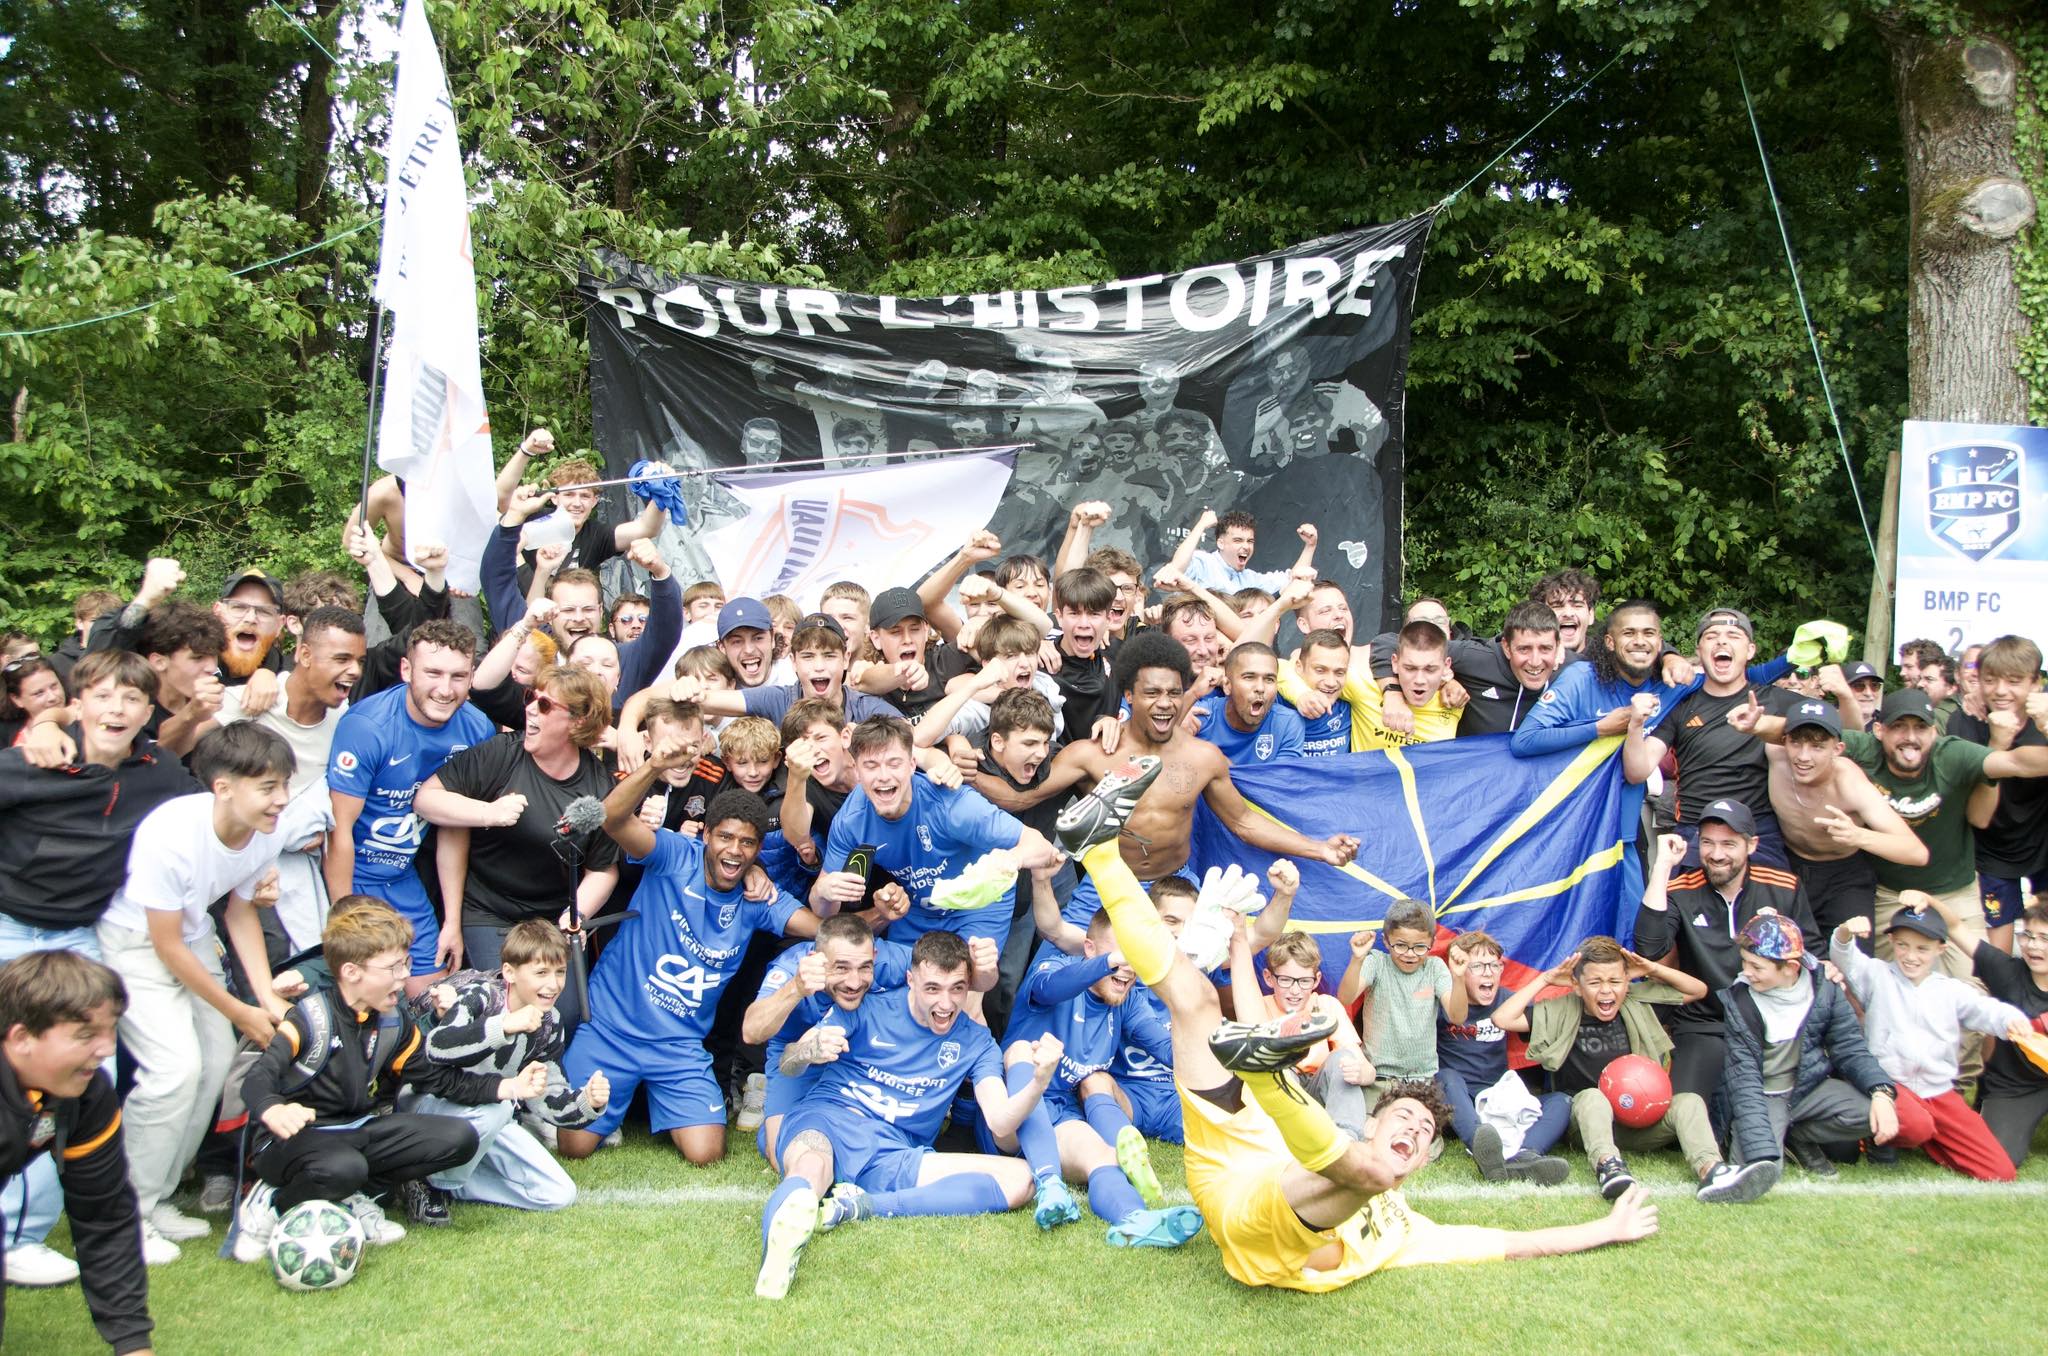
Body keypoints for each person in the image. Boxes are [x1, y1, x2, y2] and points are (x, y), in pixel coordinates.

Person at [1050, 758, 1661, 1293]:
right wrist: (1240, 950)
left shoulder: (1407, 1227)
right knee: (1195, 1004)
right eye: (1405, 1119)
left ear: (1425, 1163)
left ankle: (1268, 1077)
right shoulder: (1371, 1160)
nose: (1416, 1130)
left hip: (1254, 1222)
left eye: (1422, 1132)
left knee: (1368, 1177)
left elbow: (1507, 1241)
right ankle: (1100, 848)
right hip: (1236, 1147)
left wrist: (1607, 1230)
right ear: (1372, 1123)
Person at [0, 652, 198, 1284]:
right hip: (8, 925)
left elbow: (203, 821)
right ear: (78, 703)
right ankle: (16, 1235)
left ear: (148, 712)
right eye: (103, 696)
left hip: (79, 937)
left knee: (85, 1077)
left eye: (131, 699)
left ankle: (51, 1230)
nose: (116, 709)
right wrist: (41, 725)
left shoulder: (157, 771)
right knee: (18, 1079)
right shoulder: (32, 760)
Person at [969, 634, 1358, 925]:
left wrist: (1318, 848)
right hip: (1107, 886)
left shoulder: (1203, 757)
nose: (1165, 702)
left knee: (1191, 984)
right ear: (1129, 696)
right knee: (1061, 974)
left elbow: (1243, 822)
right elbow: (1018, 798)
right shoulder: (1092, 754)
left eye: (1174, 692)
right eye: (1151, 692)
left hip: (1174, 888)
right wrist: (958, 774)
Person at [559, 763, 821, 1166]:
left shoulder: (758, 897)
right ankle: (610, 1107)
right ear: (705, 835)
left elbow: (818, 928)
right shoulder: (673, 855)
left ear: (757, 851)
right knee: (574, 1148)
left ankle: (625, 1105)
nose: (734, 850)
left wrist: (879, 917)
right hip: (611, 1031)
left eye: (747, 843)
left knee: (706, 1154)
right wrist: (656, 765)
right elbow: (611, 818)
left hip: (677, 1047)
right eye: (725, 837)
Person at [97, 722, 292, 1260]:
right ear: (223, 786)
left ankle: (155, 1199)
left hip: (194, 938)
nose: (280, 800)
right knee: (173, 1071)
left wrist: (264, 998)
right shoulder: (170, 833)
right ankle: (123, 1216)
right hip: (136, 944)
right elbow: (165, 945)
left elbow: (241, 911)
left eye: (284, 786)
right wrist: (239, 1009)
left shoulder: (269, 828)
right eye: (268, 787)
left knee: (213, 1065)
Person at [230, 899, 509, 1262]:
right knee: (345, 1167)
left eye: (405, 964)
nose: (404, 976)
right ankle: (271, 1203)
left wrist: (505, 1088)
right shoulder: (310, 1018)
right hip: (288, 1145)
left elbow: (437, 1079)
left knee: (458, 1138)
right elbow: (256, 1080)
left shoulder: (393, 1021)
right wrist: (274, 1110)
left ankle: (357, 1196)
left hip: (355, 1132)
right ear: (351, 971)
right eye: (393, 967)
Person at [1490, 936, 1772, 1203]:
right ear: (1577, 986)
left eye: (1615, 980)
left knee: (1689, 1102)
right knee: (1592, 1097)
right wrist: (1545, 979)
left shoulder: (1638, 1002)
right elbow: (1503, 1018)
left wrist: (1652, 969)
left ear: (1627, 981)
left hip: (1640, 1121)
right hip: (1587, 1124)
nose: (1606, 990)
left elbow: (1697, 990)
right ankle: (1609, 1167)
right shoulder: (1561, 1009)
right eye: (1595, 982)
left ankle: (1712, 1171)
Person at [414, 665, 621, 997]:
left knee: (559, 1016)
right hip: (488, 910)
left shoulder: (599, 787)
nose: (529, 708)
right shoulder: (501, 753)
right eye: (530, 697)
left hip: (551, 922)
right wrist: (489, 812)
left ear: (578, 721)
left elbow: (603, 869)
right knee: (503, 1001)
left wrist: (575, 914)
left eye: (544, 705)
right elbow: (426, 798)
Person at [325, 620, 497, 991]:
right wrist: (345, 924)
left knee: (429, 997)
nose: (445, 689)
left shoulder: (477, 729)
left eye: (458, 676)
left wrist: (452, 920)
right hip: (354, 875)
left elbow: (454, 824)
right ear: (406, 670)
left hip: (403, 878)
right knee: (365, 992)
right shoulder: (368, 727)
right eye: (432, 673)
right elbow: (338, 832)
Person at [815, 717, 1058, 977]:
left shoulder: (951, 805)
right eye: (871, 766)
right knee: (904, 985)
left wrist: (1010, 860)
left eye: (893, 764)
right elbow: (823, 909)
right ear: (857, 771)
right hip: (919, 908)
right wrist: (824, 891)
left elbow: (1040, 845)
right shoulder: (852, 820)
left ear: (911, 765)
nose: (883, 776)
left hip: (978, 903)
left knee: (963, 985)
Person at [0, 951, 153, 1353]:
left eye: (111, 1030)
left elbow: (104, 1217)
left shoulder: (86, 1095)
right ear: (20, 1038)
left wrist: (133, 1344)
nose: (106, 1049)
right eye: (85, 1035)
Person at [412, 919, 609, 1223]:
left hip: (489, 1114)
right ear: (509, 973)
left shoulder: (550, 1022)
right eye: (541, 973)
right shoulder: (481, 995)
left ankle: (454, 1184)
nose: (553, 984)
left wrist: (588, 1102)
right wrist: (503, 1026)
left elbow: (547, 1096)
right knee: (501, 1108)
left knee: (558, 1193)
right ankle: (429, 1181)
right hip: (429, 1107)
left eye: (560, 972)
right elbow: (438, 1046)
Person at [1634, 804, 1819, 1113]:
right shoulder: (1682, 889)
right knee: (1685, 1111)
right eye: (1707, 842)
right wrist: (1663, 867)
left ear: (1752, 845)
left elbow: (1812, 957)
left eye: (1728, 844)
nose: (1716, 854)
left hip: (1769, 1021)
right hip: (1705, 1024)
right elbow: (1649, 948)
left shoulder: (1782, 887)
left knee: (1818, 1131)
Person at [1828, 900, 2031, 1181]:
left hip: (1938, 1092)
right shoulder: (1876, 975)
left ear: (1940, 948)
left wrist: (2010, 1019)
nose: (1911, 956)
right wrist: (1845, 933)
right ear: (1891, 941)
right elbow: (1844, 956)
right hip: (1889, 1086)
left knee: (2000, 1171)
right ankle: (1878, 1140)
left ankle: (1931, 1138)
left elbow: (1985, 1010)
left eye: (1922, 948)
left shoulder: (1950, 990)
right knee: (1917, 1125)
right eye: (1903, 945)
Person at [1718, 913, 1913, 1186]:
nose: (1746, 972)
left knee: (1877, 1112)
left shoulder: (1824, 990)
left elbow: (1850, 1048)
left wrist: (1881, 1092)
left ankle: (1797, 1136)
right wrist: (1762, 1153)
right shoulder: (1740, 1000)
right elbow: (1744, 1081)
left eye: (1756, 966)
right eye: (1745, 962)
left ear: (1790, 967)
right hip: (1764, 1095)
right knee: (1760, 1172)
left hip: (1807, 1089)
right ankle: (1771, 1142)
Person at [215, 606, 366, 953]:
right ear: (304, 654)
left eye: (359, 660)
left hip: (301, 871)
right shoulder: (251, 701)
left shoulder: (344, 720)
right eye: (342, 658)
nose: (354, 670)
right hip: (238, 867)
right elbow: (182, 749)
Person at [1738, 694, 1926, 939]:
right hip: (1788, 865)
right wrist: (1754, 722)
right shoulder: (1777, 754)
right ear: (1784, 741)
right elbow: (1760, 728)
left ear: (1837, 749)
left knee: (1852, 961)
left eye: (1817, 747)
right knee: (1773, 949)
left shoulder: (1849, 782)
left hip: (1843, 876)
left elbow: (1917, 852)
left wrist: (1859, 835)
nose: (1804, 757)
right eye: (1796, 743)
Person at [1916, 894, 2048, 1167]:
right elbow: (1955, 928)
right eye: (2027, 936)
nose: (2033, 946)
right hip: (2014, 1087)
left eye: (2044, 939)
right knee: (2000, 1158)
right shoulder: (2006, 971)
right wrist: (1927, 899)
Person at [1433, 930, 1572, 1184]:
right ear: (1461, 968)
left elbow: (1550, 1023)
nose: (1488, 972)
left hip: (1497, 1097)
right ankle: (1483, 1146)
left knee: (1561, 1101)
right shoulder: (1445, 1000)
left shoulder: (1507, 1000)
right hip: (1458, 1100)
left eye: (1494, 965)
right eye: (1477, 966)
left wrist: (1562, 983)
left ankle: (1525, 1156)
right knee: (1446, 1077)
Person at [1945, 636, 2048, 953]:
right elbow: (1977, 816)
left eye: (2014, 681)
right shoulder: (1965, 720)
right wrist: (1997, 744)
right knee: (1996, 955)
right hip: (1991, 848)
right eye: (1990, 680)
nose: (2001, 690)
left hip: (2044, 841)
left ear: (2036, 684)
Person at [1228, 929, 1368, 1139]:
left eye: (1303, 981)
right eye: (1286, 980)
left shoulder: (1325, 1005)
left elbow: (1362, 1065)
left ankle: (1347, 1140)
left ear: (1316, 979)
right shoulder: (1258, 1007)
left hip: (1316, 1089)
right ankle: (1283, 1138)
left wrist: (1362, 1073)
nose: (1295, 991)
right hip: (1279, 1093)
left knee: (1343, 1059)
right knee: (1279, 1069)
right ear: (1269, 978)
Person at [1336, 899, 1469, 1111]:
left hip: (1422, 1078)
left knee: (1421, 1138)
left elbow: (1457, 1016)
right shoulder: (1377, 963)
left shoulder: (1434, 968)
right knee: (1375, 1131)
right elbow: (1346, 997)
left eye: (1419, 947)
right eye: (1401, 946)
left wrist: (1459, 978)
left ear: (1431, 943)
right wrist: (1357, 959)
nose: (1409, 954)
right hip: (1378, 1077)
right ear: (1386, 941)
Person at [1194, 643, 1306, 768]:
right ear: (1227, 685)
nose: (1260, 688)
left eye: (1269, 679)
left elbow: (1279, 782)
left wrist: (1218, 762)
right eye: (1249, 677)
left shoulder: (1287, 723)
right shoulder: (1200, 716)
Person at [1168, 510, 1317, 596]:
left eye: (1250, 541)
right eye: (1238, 540)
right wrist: (1201, 525)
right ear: (1220, 543)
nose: (1246, 546)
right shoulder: (1203, 562)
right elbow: (1176, 570)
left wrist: (1310, 546)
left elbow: (1293, 581)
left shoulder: (1250, 579)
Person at [0, 657, 66, 749]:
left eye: (54, 686)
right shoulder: (4, 732)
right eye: (39, 693)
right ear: (17, 699)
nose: (52, 697)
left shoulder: (82, 721)